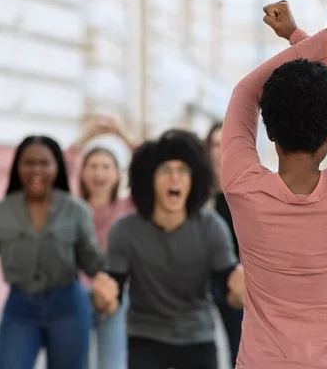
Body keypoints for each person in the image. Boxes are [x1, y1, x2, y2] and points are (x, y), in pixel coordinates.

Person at [220, 0, 327, 369]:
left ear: (270, 133)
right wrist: (311, 35)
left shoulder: (242, 188)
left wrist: (322, 36)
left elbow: (246, 90)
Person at [102, 129, 244, 369]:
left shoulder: (211, 227)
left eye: (183, 171)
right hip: (146, 334)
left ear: (194, 180)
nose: (175, 179)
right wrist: (103, 299)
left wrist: (239, 292)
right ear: (149, 179)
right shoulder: (125, 229)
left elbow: (230, 294)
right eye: (165, 171)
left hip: (196, 334)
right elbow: (111, 297)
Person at [0, 135, 118, 369]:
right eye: (29, 162)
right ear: (18, 166)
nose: (36, 170)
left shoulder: (76, 211)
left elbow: (92, 261)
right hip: (20, 307)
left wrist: (113, 271)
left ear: (57, 167)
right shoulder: (3, 211)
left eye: (44, 163)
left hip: (67, 308)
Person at [65, 115, 137, 369]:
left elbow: (148, 165)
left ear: (117, 175)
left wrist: (123, 135)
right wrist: (86, 137)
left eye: (106, 167)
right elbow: (59, 166)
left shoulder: (128, 206)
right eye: (93, 166)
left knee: (113, 364)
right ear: (82, 172)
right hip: (76, 296)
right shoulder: (71, 207)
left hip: (115, 298)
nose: (99, 173)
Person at [205, 121, 244, 367]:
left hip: (237, 282)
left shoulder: (246, 189)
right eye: (215, 144)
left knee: (238, 350)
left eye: (226, 144)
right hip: (200, 280)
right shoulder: (197, 191)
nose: (221, 150)